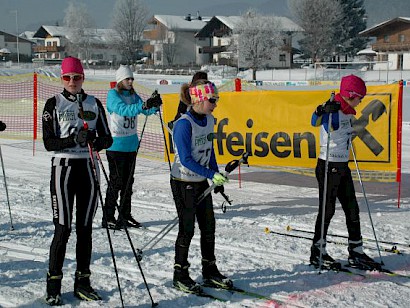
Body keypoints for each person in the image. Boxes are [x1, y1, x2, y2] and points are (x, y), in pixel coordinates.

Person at [42, 56, 113, 305]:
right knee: (63, 228)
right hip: (63, 169)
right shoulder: (53, 104)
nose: (72, 81)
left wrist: (93, 138)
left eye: (77, 77)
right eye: (67, 77)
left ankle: (83, 282)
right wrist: (74, 139)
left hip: (88, 168)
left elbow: (108, 139)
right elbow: (48, 143)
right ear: (61, 79)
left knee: (85, 228)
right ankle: (53, 284)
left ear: (83, 78)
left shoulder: (94, 102)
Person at [310, 74, 379, 270]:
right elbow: (315, 122)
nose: (361, 101)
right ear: (350, 95)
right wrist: (322, 110)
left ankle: (356, 252)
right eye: (360, 97)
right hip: (328, 165)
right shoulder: (334, 110)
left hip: (342, 165)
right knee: (327, 210)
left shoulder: (349, 112)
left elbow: (349, 133)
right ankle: (317, 252)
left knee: (352, 208)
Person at [170, 79, 232, 294]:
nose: (215, 104)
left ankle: (210, 270)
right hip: (183, 181)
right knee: (187, 229)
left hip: (200, 180)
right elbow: (186, 159)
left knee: (209, 227)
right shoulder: (184, 124)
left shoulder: (210, 120)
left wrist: (216, 176)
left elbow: (210, 150)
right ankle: (180, 274)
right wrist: (210, 174)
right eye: (212, 100)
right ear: (199, 99)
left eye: (216, 100)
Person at [103, 65, 162, 230]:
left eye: (132, 79)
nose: (130, 81)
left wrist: (154, 104)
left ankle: (125, 215)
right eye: (127, 79)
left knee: (128, 183)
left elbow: (145, 110)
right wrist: (143, 106)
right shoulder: (112, 95)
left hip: (131, 146)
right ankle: (108, 216)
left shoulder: (133, 95)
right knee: (116, 182)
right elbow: (124, 110)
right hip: (115, 146)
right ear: (120, 80)